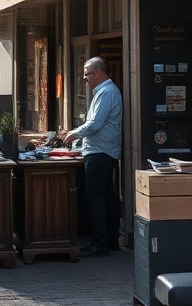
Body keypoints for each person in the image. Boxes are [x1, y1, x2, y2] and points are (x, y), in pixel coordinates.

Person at [65, 56, 122, 257]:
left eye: (87, 75)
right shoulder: (106, 91)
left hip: (100, 152)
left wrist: (74, 133)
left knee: (95, 197)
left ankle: (100, 242)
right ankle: (111, 240)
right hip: (103, 151)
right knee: (107, 196)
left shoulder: (106, 92)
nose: (85, 79)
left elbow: (95, 124)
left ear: (97, 73)